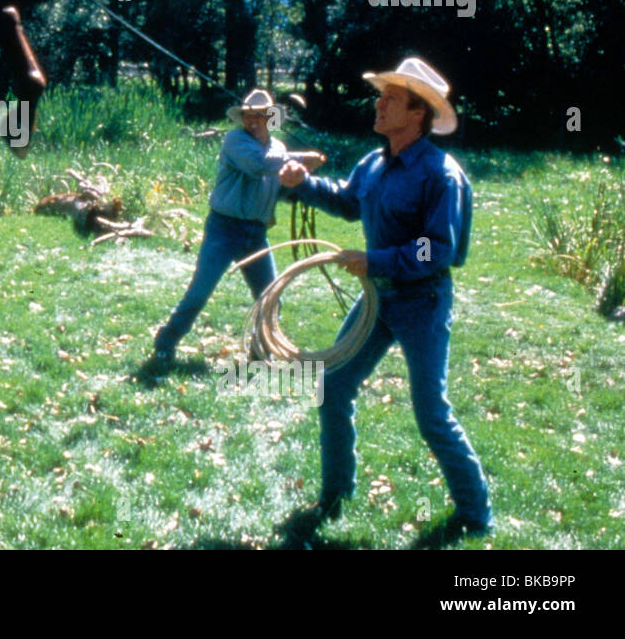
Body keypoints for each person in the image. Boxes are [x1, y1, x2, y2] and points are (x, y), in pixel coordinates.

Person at [278, 57, 493, 536]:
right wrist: (303, 184)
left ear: (417, 113)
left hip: (422, 302)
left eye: (390, 98)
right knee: (332, 387)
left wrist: (377, 260)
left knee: (430, 413)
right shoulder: (374, 165)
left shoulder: (441, 175)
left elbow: (436, 248)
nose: (378, 103)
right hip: (378, 299)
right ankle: (335, 494)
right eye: (382, 95)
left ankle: (475, 514)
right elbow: (347, 200)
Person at [146, 89, 325, 372]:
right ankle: (165, 344)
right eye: (247, 116)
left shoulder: (278, 148)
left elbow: (277, 185)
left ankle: (260, 353)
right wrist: (302, 158)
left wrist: (302, 177)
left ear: (269, 117)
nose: (251, 121)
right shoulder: (234, 140)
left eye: (258, 115)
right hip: (223, 230)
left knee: (270, 297)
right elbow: (257, 166)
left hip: (255, 234)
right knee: (199, 292)